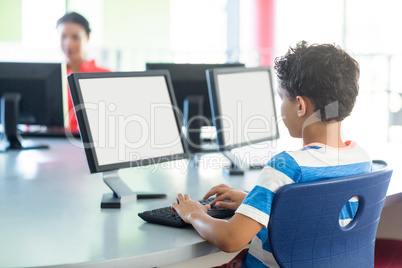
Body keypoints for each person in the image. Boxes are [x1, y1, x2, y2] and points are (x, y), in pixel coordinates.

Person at [172, 41, 372, 268]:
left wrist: (193, 213)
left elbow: (230, 239)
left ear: (299, 106)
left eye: (281, 97)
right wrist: (260, 202)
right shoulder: (362, 159)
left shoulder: (287, 166)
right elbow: (315, 218)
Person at [56, 12, 110, 133]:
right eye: (63, 37)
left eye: (75, 37)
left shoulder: (105, 75)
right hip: (56, 141)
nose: (68, 43)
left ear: (87, 37)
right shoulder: (52, 76)